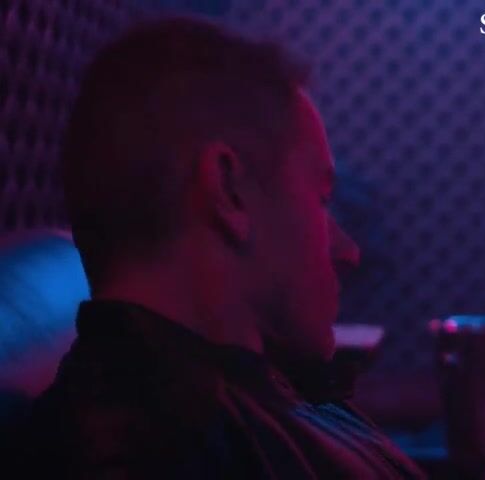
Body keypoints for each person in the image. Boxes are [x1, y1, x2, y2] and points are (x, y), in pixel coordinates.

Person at [18, 16, 424, 479]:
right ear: (229, 190)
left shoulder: (259, 394)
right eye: (321, 199)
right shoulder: (152, 452)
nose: (349, 252)